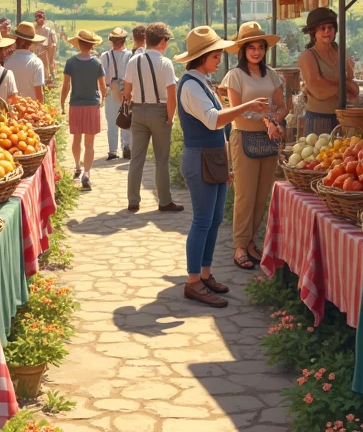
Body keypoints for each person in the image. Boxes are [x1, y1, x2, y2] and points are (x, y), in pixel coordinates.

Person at [175, 26, 270, 306]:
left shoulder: (202, 81)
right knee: (202, 221)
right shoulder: (191, 85)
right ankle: (193, 281)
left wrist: (227, 166)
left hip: (213, 157)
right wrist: (247, 106)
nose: (219, 59)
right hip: (200, 157)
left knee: (214, 220)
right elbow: (214, 120)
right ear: (202, 56)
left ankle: (205, 274)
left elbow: (220, 129)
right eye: (216, 54)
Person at [221, 22, 288, 270]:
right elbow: (236, 114)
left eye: (260, 47)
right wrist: (266, 120)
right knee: (245, 195)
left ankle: (251, 242)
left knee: (262, 196)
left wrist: (274, 121)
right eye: (251, 47)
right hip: (244, 138)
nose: (256, 52)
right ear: (243, 50)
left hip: (269, 139)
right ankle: (240, 244)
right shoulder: (235, 76)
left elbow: (282, 106)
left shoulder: (272, 75)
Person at [123, 21, 183, 213]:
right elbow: (171, 95)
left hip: (138, 111)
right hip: (159, 111)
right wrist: (170, 117)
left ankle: (133, 200)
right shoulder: (165, 63)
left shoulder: (133, 61)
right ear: (163, 41)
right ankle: (164, 201)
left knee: (136, 158)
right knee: (161, 159)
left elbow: (127, 92)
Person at [298, 7, 360, 136]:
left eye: (330, 28)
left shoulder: (341, 52)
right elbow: (319, 91)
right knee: (319, 155)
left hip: (344, 117)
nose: (327, 31)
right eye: (322, 28)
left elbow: (354, 89)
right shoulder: (308, 55)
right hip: (319, 118)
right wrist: (344, 84)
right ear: (313, 31)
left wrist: (328, 81)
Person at [60, 30, 106, 191]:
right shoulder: (97, 63)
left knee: (76, 139)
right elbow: (102, 86)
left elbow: (66, 85)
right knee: (90, 143)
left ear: (79, 44)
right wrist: (103, 99)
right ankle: (87, 173)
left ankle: (77, 166)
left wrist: (62, 103)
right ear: (92, 45)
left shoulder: (71, 62)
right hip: (92, 104)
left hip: (76, 104)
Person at [101, 27, 132, 161]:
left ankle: (125, 147)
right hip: (113, 89)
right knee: (113, 121)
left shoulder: (131, 55)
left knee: (125, 120)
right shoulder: (105, 56)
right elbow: (103, 77)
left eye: (119, 40)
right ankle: (113, 150)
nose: (118, 42)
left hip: (125, 89)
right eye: (116, 40)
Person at [2, 22, 47, 102]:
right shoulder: (36, 62)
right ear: (31, 43)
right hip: (30, 111)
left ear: (16, 40)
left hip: (10, 110)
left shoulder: (6, 62)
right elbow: (39, 94)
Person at [34, 10, 58, 83]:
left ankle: (49, 78)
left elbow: (53, 43)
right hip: (36, 51)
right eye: (39, 17)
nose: (41, 19)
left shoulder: (48, 30)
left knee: (48, 66)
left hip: (46, 51)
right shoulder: (34, 29)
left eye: (42, 17)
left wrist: (50, 48)